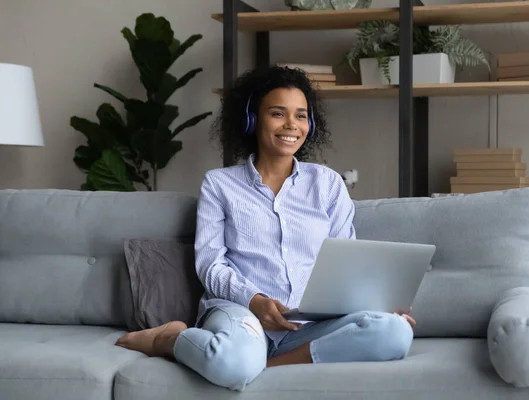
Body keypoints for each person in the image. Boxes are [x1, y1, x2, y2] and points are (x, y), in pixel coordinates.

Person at [115, 65, 416, 391]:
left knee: (396, 332)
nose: (292, 125)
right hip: (242, 314)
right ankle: (169, 338)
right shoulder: (219, 185)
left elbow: (349, 264)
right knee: (232, 365)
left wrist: (379, 302)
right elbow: (210, 265)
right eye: (278, 113)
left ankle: (267, 367)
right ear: (251, 119)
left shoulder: (327, 184)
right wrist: (254, 299)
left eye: (301, 115)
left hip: (311, 323)